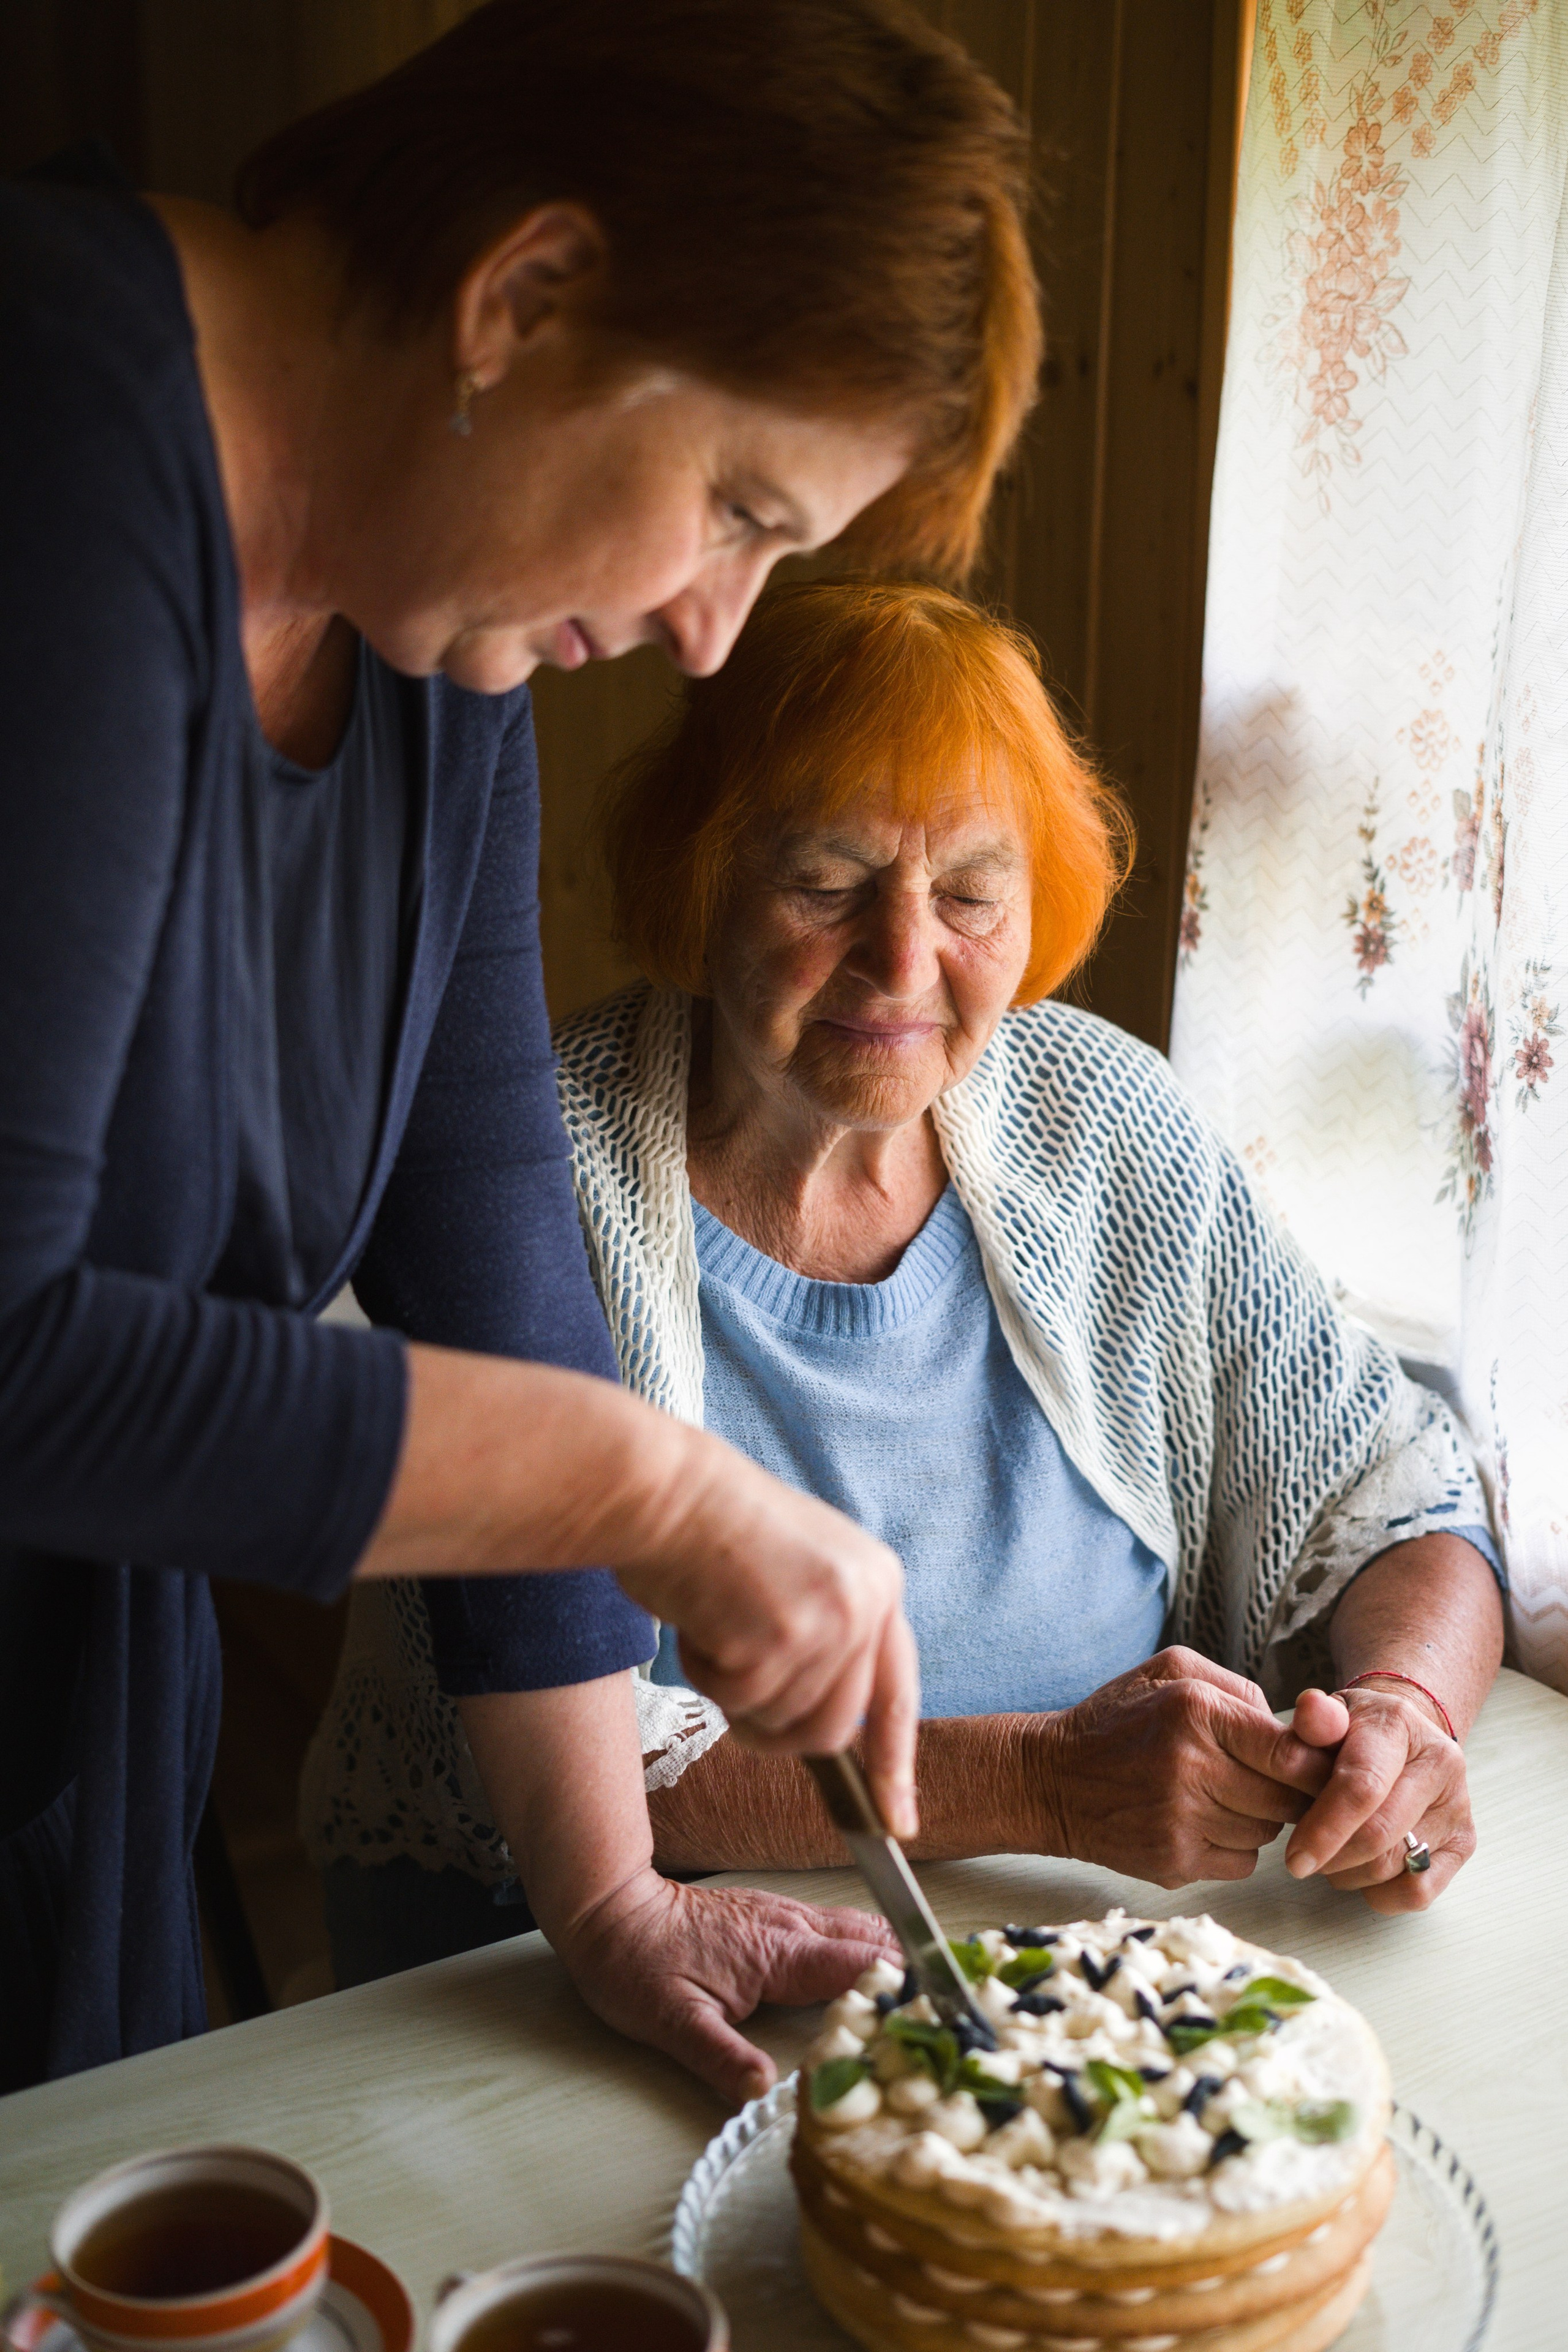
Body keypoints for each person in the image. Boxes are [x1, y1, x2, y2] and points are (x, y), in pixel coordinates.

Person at [0, 1, 1044, 2092]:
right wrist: (652, 1485)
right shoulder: (51, 426)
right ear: (526, 296)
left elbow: (480, 1224)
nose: (713, 632)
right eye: (735, 508)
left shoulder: (434, 631)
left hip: (79, 1759)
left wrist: (610, 1894)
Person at [310, 581, 1506, 2104]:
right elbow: (555, 1731)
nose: (901, 957)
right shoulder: (526, 1185)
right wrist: (1041, 1782)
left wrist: (1400, 1717)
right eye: (825, 880)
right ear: (702, 872)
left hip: (1070, 1993)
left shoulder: (1104, 1126)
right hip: (577, 2004)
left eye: (969, 893)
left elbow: (1392, 1496)